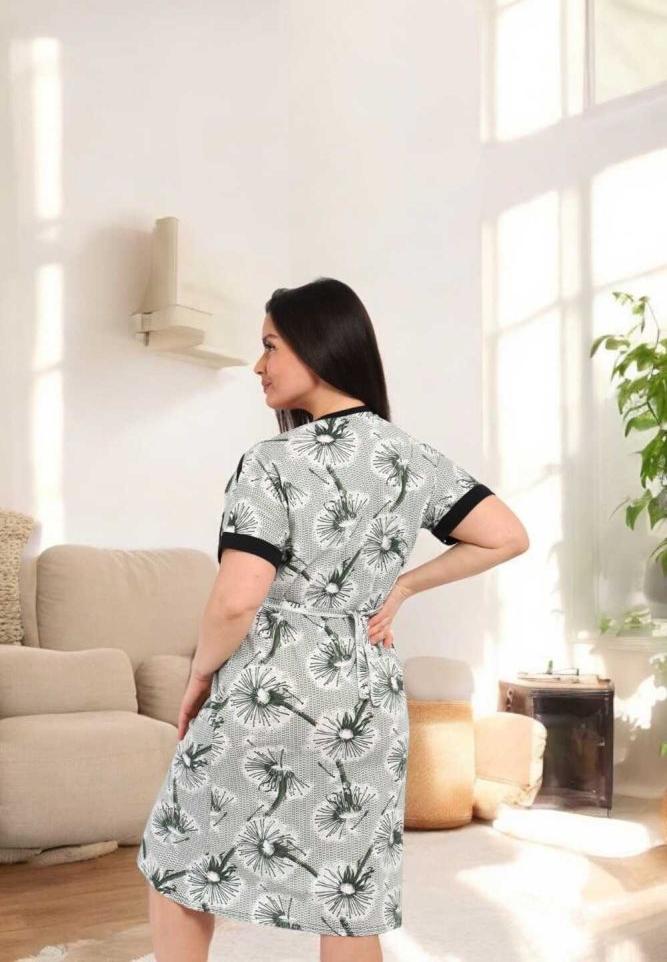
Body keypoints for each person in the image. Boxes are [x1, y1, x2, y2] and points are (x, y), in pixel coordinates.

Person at [136, 277, 529, 961]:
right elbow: (506, 535)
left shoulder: (272, 461)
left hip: (268, 689)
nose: (257, 365)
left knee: (180, 859)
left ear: (316, 345)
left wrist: (200, 673)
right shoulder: (409, 456)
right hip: (365, 697)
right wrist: (403, 586)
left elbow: (236, 598)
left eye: (269, 346)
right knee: (348, 897)